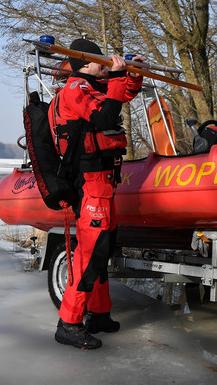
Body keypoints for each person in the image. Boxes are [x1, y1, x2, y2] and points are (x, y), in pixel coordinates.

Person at [49, 38, 144, 350]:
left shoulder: (93, 86)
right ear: (84, 64)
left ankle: (99, 314)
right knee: (89, 254)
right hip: (90, 183)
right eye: (98, 59)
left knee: (103, 251)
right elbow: (104, 117)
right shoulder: (75, 88)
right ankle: (69, 323)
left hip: (104, 182)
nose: (103, 63)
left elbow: (120, 96)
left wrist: (132, 76)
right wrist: (116, 77)